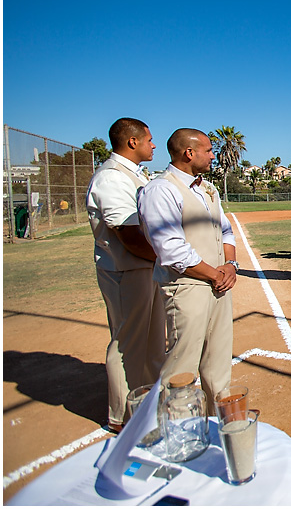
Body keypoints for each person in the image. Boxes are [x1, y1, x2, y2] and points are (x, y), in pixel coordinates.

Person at [138, 128, 237, 404]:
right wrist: (216, 273)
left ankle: (217, 424)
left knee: (218, 363)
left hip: (218, 284)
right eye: (208, 150)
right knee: (181, 367)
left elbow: (225, 230)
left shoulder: (208, 188)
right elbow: (171, 250)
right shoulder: (160, 190)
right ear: (189, 153)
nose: (212, 155)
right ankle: (176, 430)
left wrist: (229, 265)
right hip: (187, 287)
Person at [86, 117, 165, 433]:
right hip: (127, 269)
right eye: (149, 139)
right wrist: (167, 258)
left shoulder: (133, 175)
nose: (153, 144)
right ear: (132, 142)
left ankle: (148, 401)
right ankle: (122, 416)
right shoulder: (112, 178)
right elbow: (128, 234)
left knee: (152, 341)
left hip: (145, 268)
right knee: (127, 344)